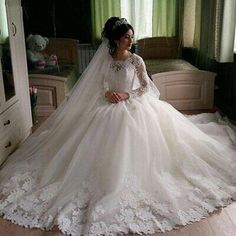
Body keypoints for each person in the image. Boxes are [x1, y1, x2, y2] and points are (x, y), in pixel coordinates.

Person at [0, 17, 236, 236]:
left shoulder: (136, 60)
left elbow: (146, 87)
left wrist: (126, 95)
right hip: (106, 105)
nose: (131, 41)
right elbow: (99, 85)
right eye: (126, 37)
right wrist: (107, 93)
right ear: (115, 40)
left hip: (135, 105)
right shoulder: (104, 60)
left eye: (131, 36)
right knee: (89, 136)